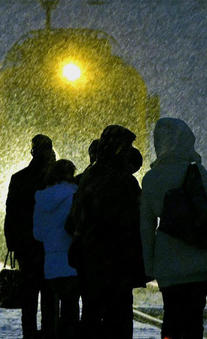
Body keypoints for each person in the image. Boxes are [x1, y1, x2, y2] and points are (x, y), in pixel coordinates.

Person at [139, 117, 207, 339]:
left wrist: (149, 264)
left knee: (172, 317)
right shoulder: (196, 172)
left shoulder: (152, 178)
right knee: (193, 321)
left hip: (168, 262)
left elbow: (146, 225)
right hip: (199, 257)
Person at [73, 125, 147, 338]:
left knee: (92, 316)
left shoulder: (89, 175)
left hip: (92, 260)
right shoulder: (122, 180)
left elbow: (77, 217)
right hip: (117, 262)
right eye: (127, 146)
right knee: (119, 319)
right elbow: (134, 219)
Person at [5, 134, 58, 338]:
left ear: (32, 151)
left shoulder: (19, 178)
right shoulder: (53, 181)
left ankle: (29, 334)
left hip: (26, 247)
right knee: (50, 296)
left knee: (29, 296)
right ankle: (48, 333)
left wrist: (12, 242)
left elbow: (11, 213)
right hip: (50, 246)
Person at [33, 159, 80, 339]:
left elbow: (38, 234)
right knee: (71, 312)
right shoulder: (75, 195)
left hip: (50, 263)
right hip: (71, 261)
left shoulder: (42, 198)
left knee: (52, 311)